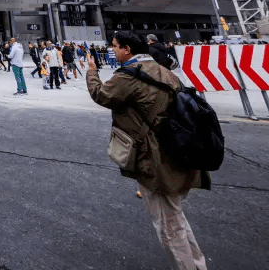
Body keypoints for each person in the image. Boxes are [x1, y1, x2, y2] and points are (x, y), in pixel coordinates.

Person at [86, 31, 210, 270]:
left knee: (169, 227)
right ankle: (198, 265)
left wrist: (92, 71)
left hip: (155, 159)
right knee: (176, 218)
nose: (112, 50)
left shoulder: (129, 76)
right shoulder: (164, 71)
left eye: (114, 46)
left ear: (127, 50)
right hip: (176, 152)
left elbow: (101, 94)